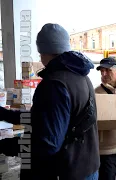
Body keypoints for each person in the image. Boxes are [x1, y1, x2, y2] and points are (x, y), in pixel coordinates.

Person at [0, 23, 100, 179]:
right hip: (86, 166)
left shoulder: (54, 83)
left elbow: (47, 144)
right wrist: (5, 114)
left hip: (65, 171)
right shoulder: (81, 76)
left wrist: (6, 145)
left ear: (42, 51)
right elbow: (44, 118)